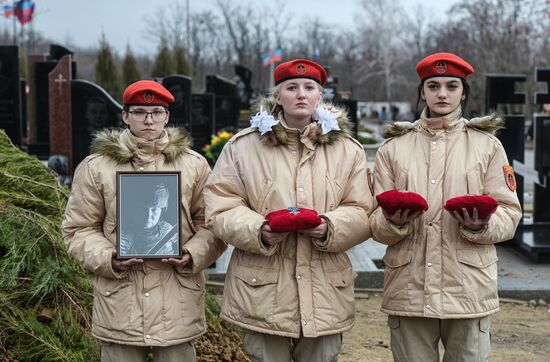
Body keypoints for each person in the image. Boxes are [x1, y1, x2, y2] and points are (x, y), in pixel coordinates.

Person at [204, 59, 373, 362]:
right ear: (277, 96)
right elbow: (220, 206)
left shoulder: (348, 150)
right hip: (263, 294)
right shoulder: (243, 147)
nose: (301, 94)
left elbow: (362, 209)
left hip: (325, 294)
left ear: (320, 96)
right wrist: (259, 231)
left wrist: (329, 227)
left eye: (309, 87)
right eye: (291, 87)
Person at [370, 52, 522, 361]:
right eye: (433, 85)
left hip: (467, 288)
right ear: (422, 92)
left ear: (464, 93)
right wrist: (392, 223)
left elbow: (510, 213)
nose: (442, 93)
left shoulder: (487, 146)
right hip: (409, 288)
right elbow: (372, 221)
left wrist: (483, 226)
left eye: (452, 86)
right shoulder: (393, 148)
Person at [62, 80, 226, 361]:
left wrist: (193, 253)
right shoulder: (96, 167)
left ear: (167, 116)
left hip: (177, 304)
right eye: (139, 112)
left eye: (157, 112)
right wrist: (107, 256)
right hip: (120, 304)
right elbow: (78, 229)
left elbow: (212, 223)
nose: (148, 120)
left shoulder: (194, 165)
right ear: (125, 116)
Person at [119, 182, 178, 256]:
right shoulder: (126, 235)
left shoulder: (168, 229)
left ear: (161, 211)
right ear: (133, 210)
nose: (148, 216)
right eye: (142, 209)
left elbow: (183, 247)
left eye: (154, 210)